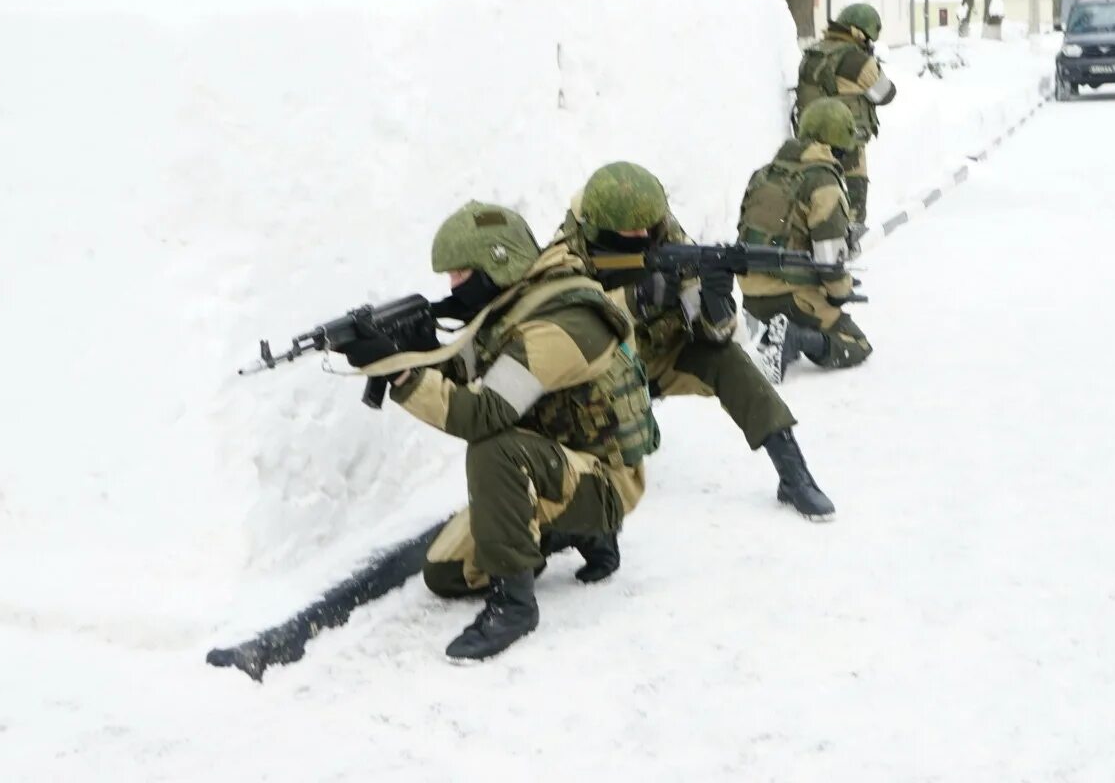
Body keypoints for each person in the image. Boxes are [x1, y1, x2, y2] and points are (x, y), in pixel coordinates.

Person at [338, 200, 655, 662]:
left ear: (497, 262)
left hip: (606, 479)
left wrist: (403, 376)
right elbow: (478, 371)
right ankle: (581, 533)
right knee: (445, 573)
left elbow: (483, 412)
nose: (452, 286)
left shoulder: (562, 324)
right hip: (560, 462)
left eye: (461, 274)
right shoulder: (516, 305)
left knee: (494, 449)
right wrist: (417, 348)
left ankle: (515, 605)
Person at [554, 162, 836, 520]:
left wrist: (716, 302)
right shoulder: (566, 251)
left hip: (655, 358)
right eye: (632, 229)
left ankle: (794, 473)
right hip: (595, 371)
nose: (644, 233)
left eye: (648, 224)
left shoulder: (669, 239)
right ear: (603, 224)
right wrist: (636, 298)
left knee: (730, 361)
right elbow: (563, 326)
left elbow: (714, 335)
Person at [738, 99, 872, 380]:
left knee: (808, 304)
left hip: (751, 294)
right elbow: (829, 262)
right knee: (857, 344)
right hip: (791, 296)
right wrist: (841, 292)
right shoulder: (823, 181)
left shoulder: (764, 173)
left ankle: (779, 330)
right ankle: (794, 337)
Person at [794, 1, 896, 229]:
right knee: (853, 201)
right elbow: (885, 94)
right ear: (861, 33)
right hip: (847, 143)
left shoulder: (813, 52)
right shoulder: (858, 61)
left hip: (809, 139)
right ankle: (848, 236)